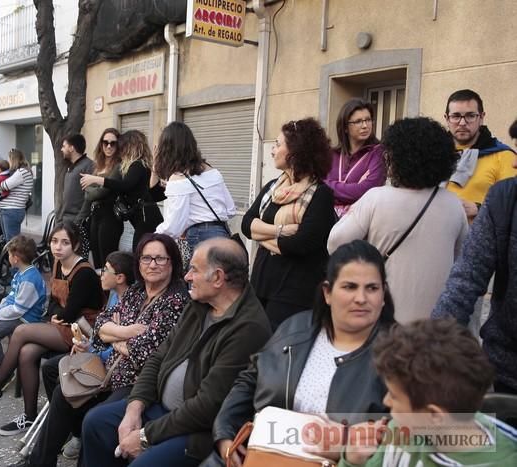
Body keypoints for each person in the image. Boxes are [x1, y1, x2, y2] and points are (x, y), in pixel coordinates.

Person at [202, 240, 394, 467]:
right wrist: (225, 433)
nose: (361, 298)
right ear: (328, 292)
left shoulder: (399, 355)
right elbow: (250, 379)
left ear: (383, 294)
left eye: (372, 288)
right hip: (262, 456)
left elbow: (423, 434)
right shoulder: (295, 329)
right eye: (349, 287)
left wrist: (346, 446)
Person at [81, 238, 271, 467]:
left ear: (218, 277)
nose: (188, 276)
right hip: (160, 407)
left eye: (194, 270)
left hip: (197, 431)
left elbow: (206, 407)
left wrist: (145, 435)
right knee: (95, 422)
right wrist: (134, 408)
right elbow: (158, 357)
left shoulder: (248, 328)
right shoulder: (200, 304)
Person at [9, 239, 189, 465]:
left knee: (94, 418)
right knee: (63, 390)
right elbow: (100, 327)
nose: (152, 264)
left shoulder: (175, 301)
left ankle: (77, 442)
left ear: (173, 263)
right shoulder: (137, 291)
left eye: (160, 258)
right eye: (146, 258)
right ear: (139, 263)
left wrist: (113, 336)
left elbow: (145, 352)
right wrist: (126, 332)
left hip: (138, 382)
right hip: (111, 369)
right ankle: (40, 461)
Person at [0, 223, 104, 426]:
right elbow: (54, 301)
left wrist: (56, 316)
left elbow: (71, 311)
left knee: (21, 330)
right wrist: (55, 315)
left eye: (65, 243)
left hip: (83, 330)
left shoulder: (84, 272)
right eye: (54, 241)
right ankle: (29, 416)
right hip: (62, 323)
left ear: (76, 245)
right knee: (27, 353)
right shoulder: (58, 263)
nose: (58, 247)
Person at [328, 117, 467, 323]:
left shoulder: (376, 198)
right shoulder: (453, 204)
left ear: (396, 158)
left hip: (386, 319)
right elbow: (462, 261)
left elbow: (335, 244)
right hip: (436, 326)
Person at [337, 319, 517, 467]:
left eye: (394, 395)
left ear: (434, 415)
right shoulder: (402, 430)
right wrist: (353, 460)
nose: (386, 401)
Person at [432, 118, 517, 394]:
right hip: (508, 367)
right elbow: (465, 280)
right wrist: (432, 344)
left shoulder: (497, 157)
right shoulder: (504, 199)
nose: (514, 163)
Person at [241, 118, 336, 330]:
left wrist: (262, 235)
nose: (273, 150)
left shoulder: (320, 194)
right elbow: (247, 225)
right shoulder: (272, 188)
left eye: (278, 144)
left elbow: (301, 244)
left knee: (278, 351)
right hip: (261, 283)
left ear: (295, 151)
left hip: (294, 292)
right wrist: (280, 231)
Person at [153, 122, 236, 255]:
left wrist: (152, 238)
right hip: (223, 235)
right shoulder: (213, 171)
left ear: (167, 149)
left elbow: (173, 227)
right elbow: (230, 210)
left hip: (200, 238)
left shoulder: (179, 179)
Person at [80, 130, 163, 250]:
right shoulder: (137, 166)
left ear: (131, 146)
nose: (120, 150)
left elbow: (125, 185)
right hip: (144, 218)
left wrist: (98, 180)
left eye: (123, 146)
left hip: (146, 218)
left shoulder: (138, 165)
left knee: (140, 253)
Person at [443, 89, 516, 223]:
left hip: (479, 238)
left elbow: (513, 206)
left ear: (481, 117)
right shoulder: (434, 155)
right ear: (447, 119)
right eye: (456, 116)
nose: (462, 122)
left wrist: (479, 209)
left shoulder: (504, 156)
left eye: (470, 115)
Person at [0, 235, 47, 379]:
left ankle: (4, 372)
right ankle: (5, 366)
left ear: (15, 258)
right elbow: (11, 297)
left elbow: (18, 309)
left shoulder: (30, 279)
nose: (8, 258)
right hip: (19, 315)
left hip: (26, 319)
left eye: (9, 255)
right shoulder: (21, 273)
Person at [324, 98, 386, 218]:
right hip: (327, 220)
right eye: (358, 121)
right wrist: (351, 189)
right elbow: (317, 187)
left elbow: (366, 190)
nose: (365, 126)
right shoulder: (331, 155)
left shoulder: (378, 153)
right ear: (345, 127)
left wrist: (329, 186)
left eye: (368, 120)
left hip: (360, 222)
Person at [76, 128, 124, 268]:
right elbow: (88, 195)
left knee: (108, 261)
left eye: (113, 143)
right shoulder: (97, 166)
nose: (109, 146)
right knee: (96, 260)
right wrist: (77, 221)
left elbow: (99, 193)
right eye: (105, 142)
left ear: (118, 145)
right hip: (95, 216)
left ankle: (110, 290)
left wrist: (92, 185)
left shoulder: (119, 166)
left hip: (110, 217)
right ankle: (101, 290)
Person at [57, 134, 95, 226]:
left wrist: (78, 221)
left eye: (64, 146)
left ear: (71, 148)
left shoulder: (89, 166)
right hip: (65, 220)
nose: (61, 149)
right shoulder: (70, 166)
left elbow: (89, 198)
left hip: (77, 222)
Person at [0, 149, 34, 241]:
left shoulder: (21, 172)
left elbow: (4, 186)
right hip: (10, 210)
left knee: (12, 242)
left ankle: (15, 256)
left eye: (9, 159)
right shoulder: (22, 171)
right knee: (9, 241)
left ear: (13, 159)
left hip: (12, 210)